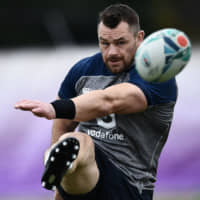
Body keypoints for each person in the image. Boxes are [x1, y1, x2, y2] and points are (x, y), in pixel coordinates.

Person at [15, 4, 177, 200]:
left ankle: (66, 162)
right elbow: (63, 125)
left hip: (130, 185)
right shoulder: (82, 71)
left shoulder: (156, 75)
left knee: (80, 142)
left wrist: (54, 108)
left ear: (139, 38)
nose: (112, 52)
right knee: (74, 142)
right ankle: (62, 167)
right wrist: (58, 191)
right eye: (105, 43)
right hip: (84, 177)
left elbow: (109, 101)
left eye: (120, 42)